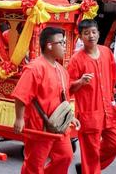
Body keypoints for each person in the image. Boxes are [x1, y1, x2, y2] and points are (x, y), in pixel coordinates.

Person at [12, 27, 80, 174]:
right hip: (39, 127)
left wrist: (70, 117)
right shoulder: (35, 68)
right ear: (49, 45)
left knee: (65, 156)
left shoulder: (62, 70)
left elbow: (64, 98)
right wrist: (19, 118)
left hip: (59, 125)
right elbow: (20, 95)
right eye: (61, 43)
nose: (64, 46)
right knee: (34, 164)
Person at [68, 19, 116, 174]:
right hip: (90, 114)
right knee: (90, 154)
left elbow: (114, 77)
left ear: (98, 33)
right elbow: (68, 87)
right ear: (81, 37)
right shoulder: (76, 59)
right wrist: (81, 82)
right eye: (86, 33)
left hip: (109, 111)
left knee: (115, 143)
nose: (91, 36)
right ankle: (89, 169)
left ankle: (86, 169)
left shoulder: (106, 52)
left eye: (94, 32)